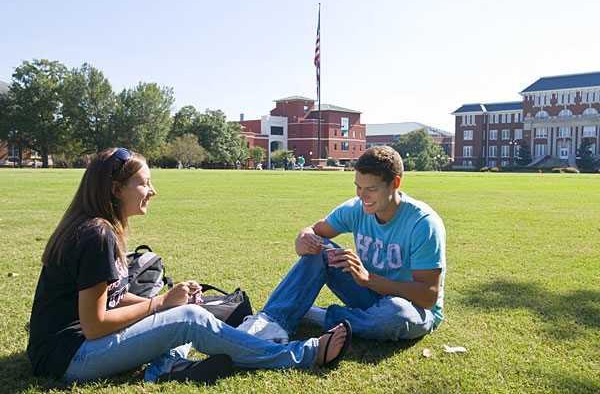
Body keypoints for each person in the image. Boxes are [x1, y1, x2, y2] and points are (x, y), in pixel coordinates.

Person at [27, 147, 351, 384]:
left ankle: (165, 369)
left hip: (79, 347)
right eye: (144, 183)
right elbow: (95, 324)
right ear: (115, 189)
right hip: (70, 357)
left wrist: (166, 305)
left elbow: (110, 297)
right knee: (190, 318)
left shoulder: (98, 227)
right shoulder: (97, 234)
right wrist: (160, 303)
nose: (152, 191)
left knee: (182, 313)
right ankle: (305, 355)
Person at [238, 146, 445, 344]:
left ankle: (319, 316)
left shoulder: (423, 223)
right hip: (368, 294)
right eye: (358, 187)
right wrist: (304, 238)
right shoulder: (356, 208)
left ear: (395, 183)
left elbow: (428, 296)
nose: (362, 196)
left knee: (397, 315)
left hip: (412, 307)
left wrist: (369, 279)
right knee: (322, 249)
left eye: (371, 189)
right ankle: (272, 320)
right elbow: (314, 231)